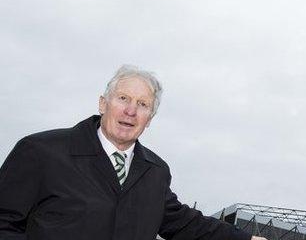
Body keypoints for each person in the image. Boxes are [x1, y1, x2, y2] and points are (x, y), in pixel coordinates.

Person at [0, 65, 266, 240]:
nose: (131, 111)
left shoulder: (155, 172)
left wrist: (246, 239)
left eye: (143, 104)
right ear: (103, 103)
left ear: (149, 118)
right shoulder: (40, 151)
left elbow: (186, 224)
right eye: (123, 98)